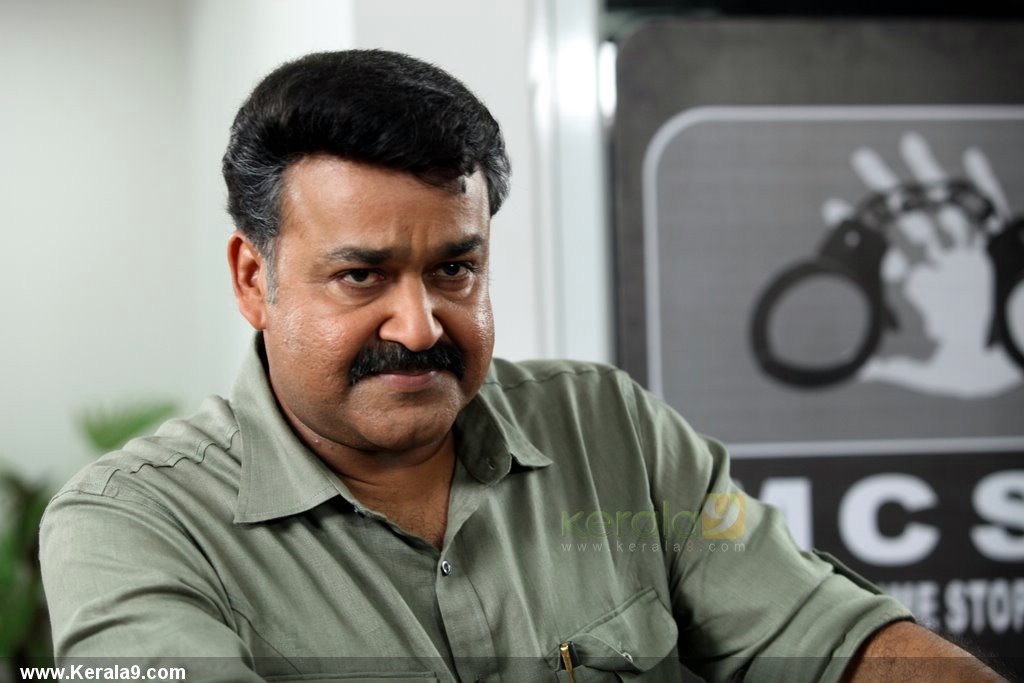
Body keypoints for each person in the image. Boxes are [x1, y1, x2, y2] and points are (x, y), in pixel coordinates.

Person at [40, 49, 1005, 683]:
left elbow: (829, 638)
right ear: (255, 280)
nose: (419, 324)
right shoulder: (130, 524)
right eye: (362, 275)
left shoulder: (610, 428)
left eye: (455, 268)